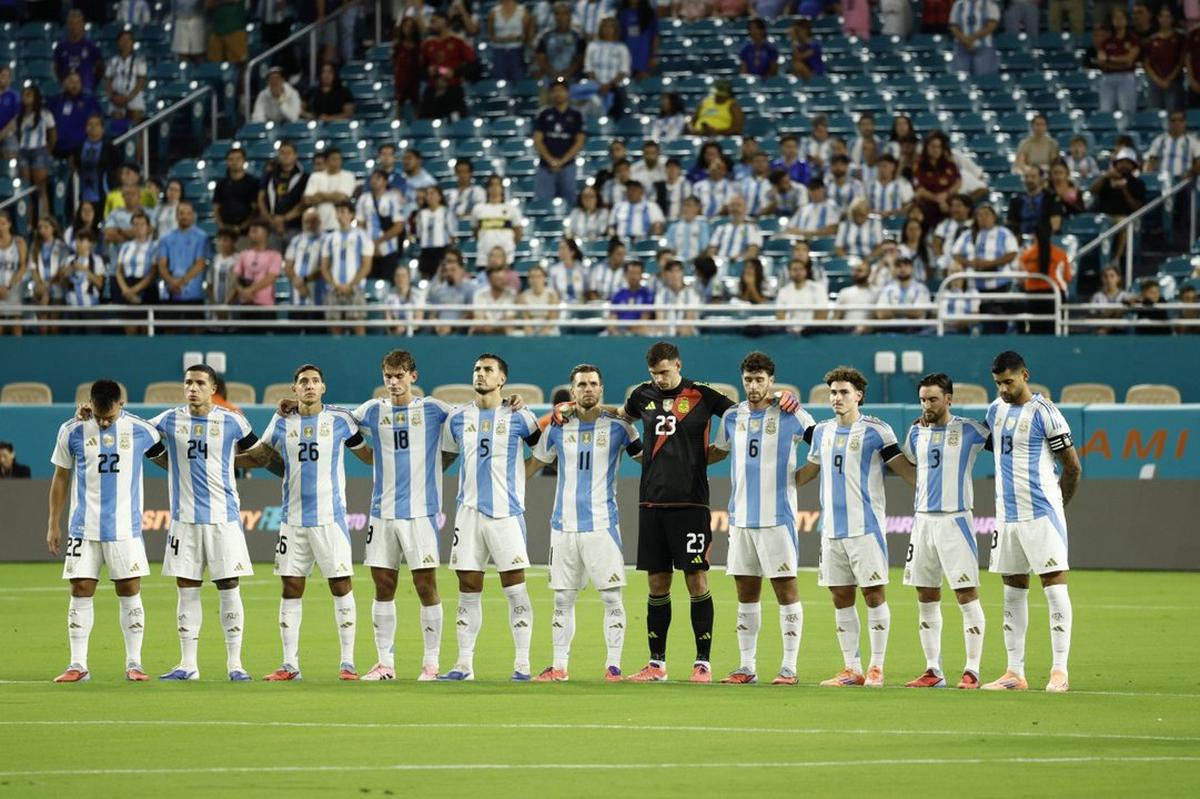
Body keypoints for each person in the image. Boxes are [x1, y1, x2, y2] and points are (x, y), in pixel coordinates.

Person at [606, 342, 799, 682]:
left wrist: (780, 396)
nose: (660, 379)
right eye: (654, 374)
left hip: (691, 504)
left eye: (665, 372)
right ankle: (657, 664)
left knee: (696, 579)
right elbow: (623, 415)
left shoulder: (704, 395)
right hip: (651, 502)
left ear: (678, 365)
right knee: (656, 583)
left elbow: (746, 410)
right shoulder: (641, 395)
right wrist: (571, 408)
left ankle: (703, 663)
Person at [238, 364, 371, 681]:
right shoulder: (282, 421)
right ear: (294, 388)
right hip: (293, 519)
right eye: (303, 382)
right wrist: (220, 464)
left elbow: (365, 453)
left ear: (323, 387)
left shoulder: (340, 420)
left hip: (330, 518)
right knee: (291, 587)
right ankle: (289, 664)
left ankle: (348, 662)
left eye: (314, 381)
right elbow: (264, 457)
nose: (309, 386)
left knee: (340, 585)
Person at [794, 366, 916, 687]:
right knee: (840, 597)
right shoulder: (821, 432)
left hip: (866, 529)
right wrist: (781, 481)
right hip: (832, 531)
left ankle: (876, 667)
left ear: (858, 395)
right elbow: (809, 471)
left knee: (874, 595)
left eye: (844, 392)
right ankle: (852, 668)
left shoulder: (878, 431)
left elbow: (908, 472)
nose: (837, 398)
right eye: (833, 392)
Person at [341, 350, 457, 680]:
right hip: (382, 512)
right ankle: (384, 663)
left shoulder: (434, 409)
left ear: (413, 377)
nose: (393, 382)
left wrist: (511, 403)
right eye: (388, 376)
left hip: (420, 513)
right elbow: (337, 420)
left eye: (400, 375)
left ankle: (431, 663)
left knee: (425, 585)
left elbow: (471, 418)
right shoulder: (372, 410)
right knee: (383, 584)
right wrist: (366, 455)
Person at [527, 365, 641, 681]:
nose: (587, 389)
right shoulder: (557, 428)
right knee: (562, 599)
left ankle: (613, 666)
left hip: (603, 525)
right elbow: (534, 464)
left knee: (611, 597)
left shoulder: (620, 428)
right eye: (581, 384)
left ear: (601, 389)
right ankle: (559, 667)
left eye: (592, 384)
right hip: (563, 526)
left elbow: (648, 459)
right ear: (572, 390)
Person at [708, 352, 816, 685]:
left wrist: (801, 476)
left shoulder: (789, 414)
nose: (753, 386)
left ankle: (789, 667)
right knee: (746, 591)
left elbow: (821, 442)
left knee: (785, 589)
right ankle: (747, 666)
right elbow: (720, 451)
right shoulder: (731, 416)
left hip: (777, 518)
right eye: (748, 380)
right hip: (740, 518)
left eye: (759, 380)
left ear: (771, 380)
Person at [46, 379, 162, 682]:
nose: (103, 421)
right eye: (99, 416)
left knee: (129, 589)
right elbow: (60, 477)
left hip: (126, 528)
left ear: (121, 404)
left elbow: (171, 444)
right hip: (83, 526)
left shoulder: (141, 429)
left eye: (109, 417)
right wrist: (53, 523)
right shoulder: (71, 430)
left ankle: (134, 663)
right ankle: (77, 664)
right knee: (81, 588)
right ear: (90, 404)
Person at [438, 355, 542, 680]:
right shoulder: (457, 418)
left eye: (488, 370)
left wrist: (521, 478)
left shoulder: (520, 416)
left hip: (506, 514)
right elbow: (444, 459)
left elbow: (543, 452)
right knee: (468, 588)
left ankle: (523, 664)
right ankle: (464, 664)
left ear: (502, 380)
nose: (480, 374)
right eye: (477, 370)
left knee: (515, 587)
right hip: (467, 513)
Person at [982, 351, 1081, 692]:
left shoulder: (1046, 413)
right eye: (997, 384)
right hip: (1007, 517)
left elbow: (1072, 467)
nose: (1003, 390)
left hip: (1041, 513)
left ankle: (1059, 670)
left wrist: (1058, 504)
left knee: (1054, 588)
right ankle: (1014, 672)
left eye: (1008, 382)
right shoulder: (994, 410)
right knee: (1012, 592)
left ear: (1025, 374)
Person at [898, 373, 990, 689]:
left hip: (956, 521)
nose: (927, 405)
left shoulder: (970, 430)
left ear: (949, 398)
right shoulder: (914, 434)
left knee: (965, 594)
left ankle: (972, 670)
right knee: (926, 593)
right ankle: (933, 670)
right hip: (922, 522)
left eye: (933, 399)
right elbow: (908, 463)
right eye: (923, 399)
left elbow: (1004, 443)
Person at [321, 200, 373, 337]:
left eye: (343, 211)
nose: (339, 215)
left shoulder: (362, 236)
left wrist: (351, 285)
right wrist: (335, 285)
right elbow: (324, 267)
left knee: (358, 328)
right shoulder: (329, 238)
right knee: (335, 330)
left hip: (355, 288)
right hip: (334, 288)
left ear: (351, 214)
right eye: (337, 212)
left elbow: (366, 266)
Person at [533, 80, 585, 203]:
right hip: (546, 166)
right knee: (543, 203)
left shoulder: (576, 115)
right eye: (555, 90)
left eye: (561, 90)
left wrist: (562, 161)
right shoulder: (544, 114)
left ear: (567, 93)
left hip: (568, 166)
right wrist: (550, 160)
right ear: (550, 94)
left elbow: (579, 142)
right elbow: (537, 140)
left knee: (570, 202)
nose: (558, 93)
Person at [420, 11, 477, 120]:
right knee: (429, 122)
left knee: (456, 122)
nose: (431, 24)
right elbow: (419, 69)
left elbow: (473, 65)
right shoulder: (428, 44)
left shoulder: (458, 41)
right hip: (433, 89)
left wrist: (455, 72)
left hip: (453, 89)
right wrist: (427, 71)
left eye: (434, 21)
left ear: (444, 22)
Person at [15, 84, 56, 228]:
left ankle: (44, 222)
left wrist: (46, 151)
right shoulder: (20, 116)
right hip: (24, 152)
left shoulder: (45, 114)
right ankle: (28, 223)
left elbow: (52, 135)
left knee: (41, 188)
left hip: (39, 151)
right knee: (26, 189)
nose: (26, 97)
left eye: (29, 94)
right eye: (24, 94)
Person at [355, 169, 406, 281]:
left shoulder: (393, 198)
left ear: (385, 181)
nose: (374, 181)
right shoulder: (364, 199)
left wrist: (378, 242)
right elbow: (360, 225)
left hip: (389, 250)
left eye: (378, 178)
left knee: (389, 282)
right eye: (372, 178)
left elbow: (398, 226)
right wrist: (369, 244)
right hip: (368, 250)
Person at [230, 219, 282, 314]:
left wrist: (250, 290)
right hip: (245, 303)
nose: (252, 232)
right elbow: (234, 275)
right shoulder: (243, 254)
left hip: (265, 305)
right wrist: (241, 291)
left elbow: (271, 277)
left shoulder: (275, 255)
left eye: (256, 229)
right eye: (251, 230)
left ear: (266, 233)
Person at [48, 72, 103, 161]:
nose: (75, 85)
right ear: (64, 83)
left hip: (82, 150)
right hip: (58, 149)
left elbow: (99, 122)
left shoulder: (90, 102)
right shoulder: (54, 102)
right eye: (71, 82)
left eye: (78, 82)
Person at [583, 17, 631, 119]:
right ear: (600, 29)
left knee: (620, 97)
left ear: (615, 29)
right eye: (605, 26)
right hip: (594, 86)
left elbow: (623, 70)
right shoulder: (592, 46)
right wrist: (599, 85)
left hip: (615, 88)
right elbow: (588, 68)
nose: (608, 29)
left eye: (611, 27)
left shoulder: (622, 48)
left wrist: (608, 86)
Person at [471, 175, 523, 268]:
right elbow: (475, 231)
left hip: (507, 259)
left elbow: (518, 232)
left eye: (497, 185)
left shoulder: (511, 209)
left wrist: (508, 247)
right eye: (492, 185)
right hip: (484, 259)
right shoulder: (478, 209)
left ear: (502, 188)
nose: (495, 188)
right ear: (487, 188)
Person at [303, 147, 358, 232]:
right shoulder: (316, 176)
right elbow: (307, 200)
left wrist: (320, 195)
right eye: (333, 159)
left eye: (339, 159)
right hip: (319, 226)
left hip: (339, 226)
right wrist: (334, 196)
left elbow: (342, 198)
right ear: (326, 161)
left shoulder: (348, 176)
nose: (337, 162)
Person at [914, 132, 961, 228]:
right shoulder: (919, 166)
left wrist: (946, 194)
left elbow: (958, 183)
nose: (936, 150)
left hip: (948, 202)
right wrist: (938, 200)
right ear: (927, 148)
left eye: (939, 147)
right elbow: (919, 189)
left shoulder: (949, 164)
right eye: (933, 146)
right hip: (928, 203)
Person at [1098, 6, 1140, 115]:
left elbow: (1129, 60)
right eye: (1116, 18)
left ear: (1126, 20)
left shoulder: (1133, 39)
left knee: (1127, 110)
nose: (1118, 21)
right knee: (1105, 111)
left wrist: (1110, 59)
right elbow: (1102, 62)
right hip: (1108, 78)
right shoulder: (1106, 42)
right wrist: (1120, 62)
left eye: (1121, 18)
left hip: (1126, 77)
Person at [53, 9, 105, 94]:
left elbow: (100, 69)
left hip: (86, 91)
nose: (74, 26)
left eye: (77, 23)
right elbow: (57, 69)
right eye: (72, 23)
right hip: (67, 92)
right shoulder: (60, 47)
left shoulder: (92, 47)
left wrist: (92, 84)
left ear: (83, 24)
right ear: (68, 25)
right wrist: (65, 82)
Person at [213, 147, 260, 240]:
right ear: (227, 162)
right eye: (231, 159)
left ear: (244, 161)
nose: (234, 162)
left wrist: (242, 227)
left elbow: (256, 209)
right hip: (225, 232)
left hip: (246, 232)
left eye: (238, 159)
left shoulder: (253, 183)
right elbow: (216, 208)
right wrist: (222, 226)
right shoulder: (221, 184)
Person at [105, 30, 147, 130]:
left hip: (134, 99)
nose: (125, 43)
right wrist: (113, 97)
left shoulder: (139, 60)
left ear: (132, 43)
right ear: (118, 43)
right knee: (118, 129)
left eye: (128, 40)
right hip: (116, 99)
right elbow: (107, 81)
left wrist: (128, 98)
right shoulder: (112, 61)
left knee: (136, 129)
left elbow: (141, 82)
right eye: (122, 40)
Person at [535, 2, 586, 81]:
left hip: (572, 78)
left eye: (564, 13)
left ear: (570, 16)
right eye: (557, 14)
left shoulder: (578, 36)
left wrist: (568, 73)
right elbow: (541, 57)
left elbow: (580, 58)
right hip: (549, 77)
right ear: (554, 16)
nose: (560, 17)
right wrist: (552, 73)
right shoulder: (545, 35)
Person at [949, 0, 1000, 76]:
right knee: (961, 77)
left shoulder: (989, 3)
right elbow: (953, 25)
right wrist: (966, 41)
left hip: (984, 48)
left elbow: (992, 25)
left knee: (983, 79)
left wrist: (971, 39)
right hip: (961, 48)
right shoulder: (959, 4)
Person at [707, 195, 762, 262]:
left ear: (745, 208)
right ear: (728, 208)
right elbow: (711, 249)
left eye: (738, 205)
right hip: (720, 264)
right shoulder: (720, 229)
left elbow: (753, 251)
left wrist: (740, 259)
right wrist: (714, 260)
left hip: (741, 265)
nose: (735, 208)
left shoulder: (752, 228)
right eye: (732, 205)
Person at [487, 0, 532, 82]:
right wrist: (500, 39)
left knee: (518, 79)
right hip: (499, 51)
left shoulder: (523, 11)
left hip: (517, 51)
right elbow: (490, 35)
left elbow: (528, 35)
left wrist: (517, 38)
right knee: (499, 79)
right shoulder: (493, 12)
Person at [0, 210, 28, 333]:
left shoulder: (19, 243)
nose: (0, 227)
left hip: (13, 288)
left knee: (16, 323)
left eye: (3, 223)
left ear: (9, 224)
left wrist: (9, 286)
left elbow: (23, 267)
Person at [618, 0, 660, 79]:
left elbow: (655, 36)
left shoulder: (650, 13)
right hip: (626, 54)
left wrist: (654, 55)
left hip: (644, 54)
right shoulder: (622, 13)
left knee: (643, 84)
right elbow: (619, 35)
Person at [392, 17, 424, 118]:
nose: (408, 29)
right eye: (406, 26)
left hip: (415, 78)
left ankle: (418, 128)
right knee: (399, 106)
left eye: (411, 27)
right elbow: (394, 61)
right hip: (401, 79)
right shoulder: (397, 45)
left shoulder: (419, 46)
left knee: (417, 106)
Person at [206, 0, 249, 66]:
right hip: (216, 29)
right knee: (213, 65)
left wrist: (217, 2)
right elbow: (208, 4)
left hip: (235, 28)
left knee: (239, 64)